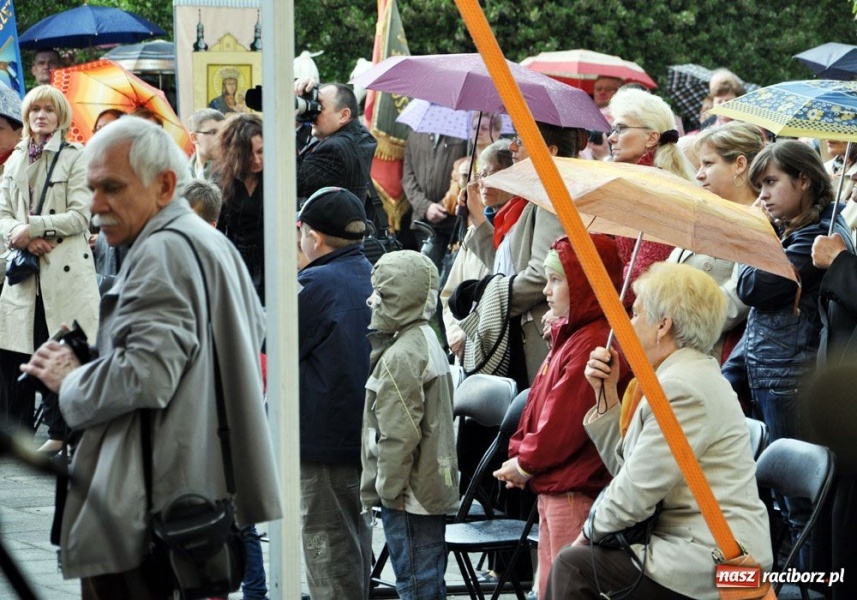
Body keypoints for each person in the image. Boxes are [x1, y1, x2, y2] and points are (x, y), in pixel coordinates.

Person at [18, 117, 282, 598]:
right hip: (187, 496)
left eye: (112, 188)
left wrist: (72, 379)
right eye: (92, 189)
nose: (96, 205)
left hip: (150, 508)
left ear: (164, 185)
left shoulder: (163, 251)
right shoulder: (205, 241)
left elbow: (146, 376)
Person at [544, 262, 772, 600]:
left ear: (663, 325)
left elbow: (636, 489)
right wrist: (607, 398)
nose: (627, 324)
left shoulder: (681, 387)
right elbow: (630, 471)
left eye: (636, 314)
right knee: (581, 561)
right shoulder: (678, 376)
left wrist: (587, 533)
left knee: (574, 566)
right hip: (688, 545)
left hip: (718, 560)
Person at [724, 140, 854, 571]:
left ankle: (811, 586)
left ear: (804, 180)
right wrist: (733, 372)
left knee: (802, 508)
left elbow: (755, 288)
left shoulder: (819, 237)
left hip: (792, 380)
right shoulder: (793, 233)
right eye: (758, 185)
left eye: (770, 182)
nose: (761, 195)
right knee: (786, 505)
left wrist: (753, 235)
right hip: (773, 375)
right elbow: (761, 321)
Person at [494, 234, 632, 599]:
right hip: (557, 482)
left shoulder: (593, 343)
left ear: (585, 284)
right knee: (549, 583)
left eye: (557, 280)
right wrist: (521, 452)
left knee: (563, 585)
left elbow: (563, 422)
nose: (546, 290)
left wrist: (525, 462)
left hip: (575, 486)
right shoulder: (575, 336)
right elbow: (538, 403)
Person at [0, 85, 99, 449]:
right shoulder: (15, 158)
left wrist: (35, 228)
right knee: (22, 351)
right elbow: (2, 214)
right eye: (35, 110)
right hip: (25, 274)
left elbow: (80, 216)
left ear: (61, 116)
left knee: (62, 350)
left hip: (64, 272)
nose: (41, 115)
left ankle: (63, 433)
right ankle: (39, 432)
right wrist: (22, 237)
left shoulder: (76, 156)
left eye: (49, 110)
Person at [361, 250, 459, 600]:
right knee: (428, 579)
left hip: (409, 494)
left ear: (398, 298)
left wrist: (388, 491)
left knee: (416, 584)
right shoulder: (424, 337)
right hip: (429, 484)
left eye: (381, 293)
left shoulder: (401, 355)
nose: (372, 301)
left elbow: (397, 435)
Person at [463, 121, 588, 386]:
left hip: (535, 337)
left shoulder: (551, 199)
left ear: (550, 151)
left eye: (521, 140)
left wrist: (490, 299)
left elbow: (542, 275)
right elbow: (511, 266)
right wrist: (479, 220)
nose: (512, 146)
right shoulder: (530, 199)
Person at [297, 186, 373, 598]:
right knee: (352, 546)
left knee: (328, 556)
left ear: (314, 237)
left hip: (324, 442)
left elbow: (272, 338)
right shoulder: (368, 270)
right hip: (360, 436)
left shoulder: (316, 282)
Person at [670, 121, 766, 363]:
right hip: (674, 350)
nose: (699, 174)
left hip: (712, 357)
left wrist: (673, 324)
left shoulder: (761, 224)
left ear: (739, 165)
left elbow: (735, 302)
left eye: (708, 163)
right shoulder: (704, 215)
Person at [606, 88, 696, 303]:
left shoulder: (663, 193)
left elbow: (641, 278)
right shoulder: (631, 185)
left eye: (621, 129)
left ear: (652, 138)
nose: (611, 138)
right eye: (612, 129)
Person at [442, 140, 513, 362]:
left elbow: (504, 275)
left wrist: (479, 218)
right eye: (482, 174)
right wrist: (456, 333)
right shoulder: (473, 233)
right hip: (464, 350)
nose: (484, 182)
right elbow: (449, 294)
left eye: (493, 174)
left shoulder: (516, 229)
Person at [294, 79, 378, 221]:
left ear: (344, 115)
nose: (313, 113)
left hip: (323, 232)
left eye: (319, 107)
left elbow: (291, 181)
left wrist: (284, 122)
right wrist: (313, 90)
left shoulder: (335, 148)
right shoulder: (360, 137)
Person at [213, 113, 265, 303]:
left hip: (272, 260)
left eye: (261, 151)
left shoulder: (277, 174)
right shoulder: (222, 180)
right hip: (235, 262)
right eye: (248, 154)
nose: (256, 160)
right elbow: (217, 230)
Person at [186, 108, 225, 181]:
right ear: (194, 138)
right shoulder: (183, 174)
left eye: (223, 133)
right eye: (213, 132)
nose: (221, 138)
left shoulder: (232, 172)